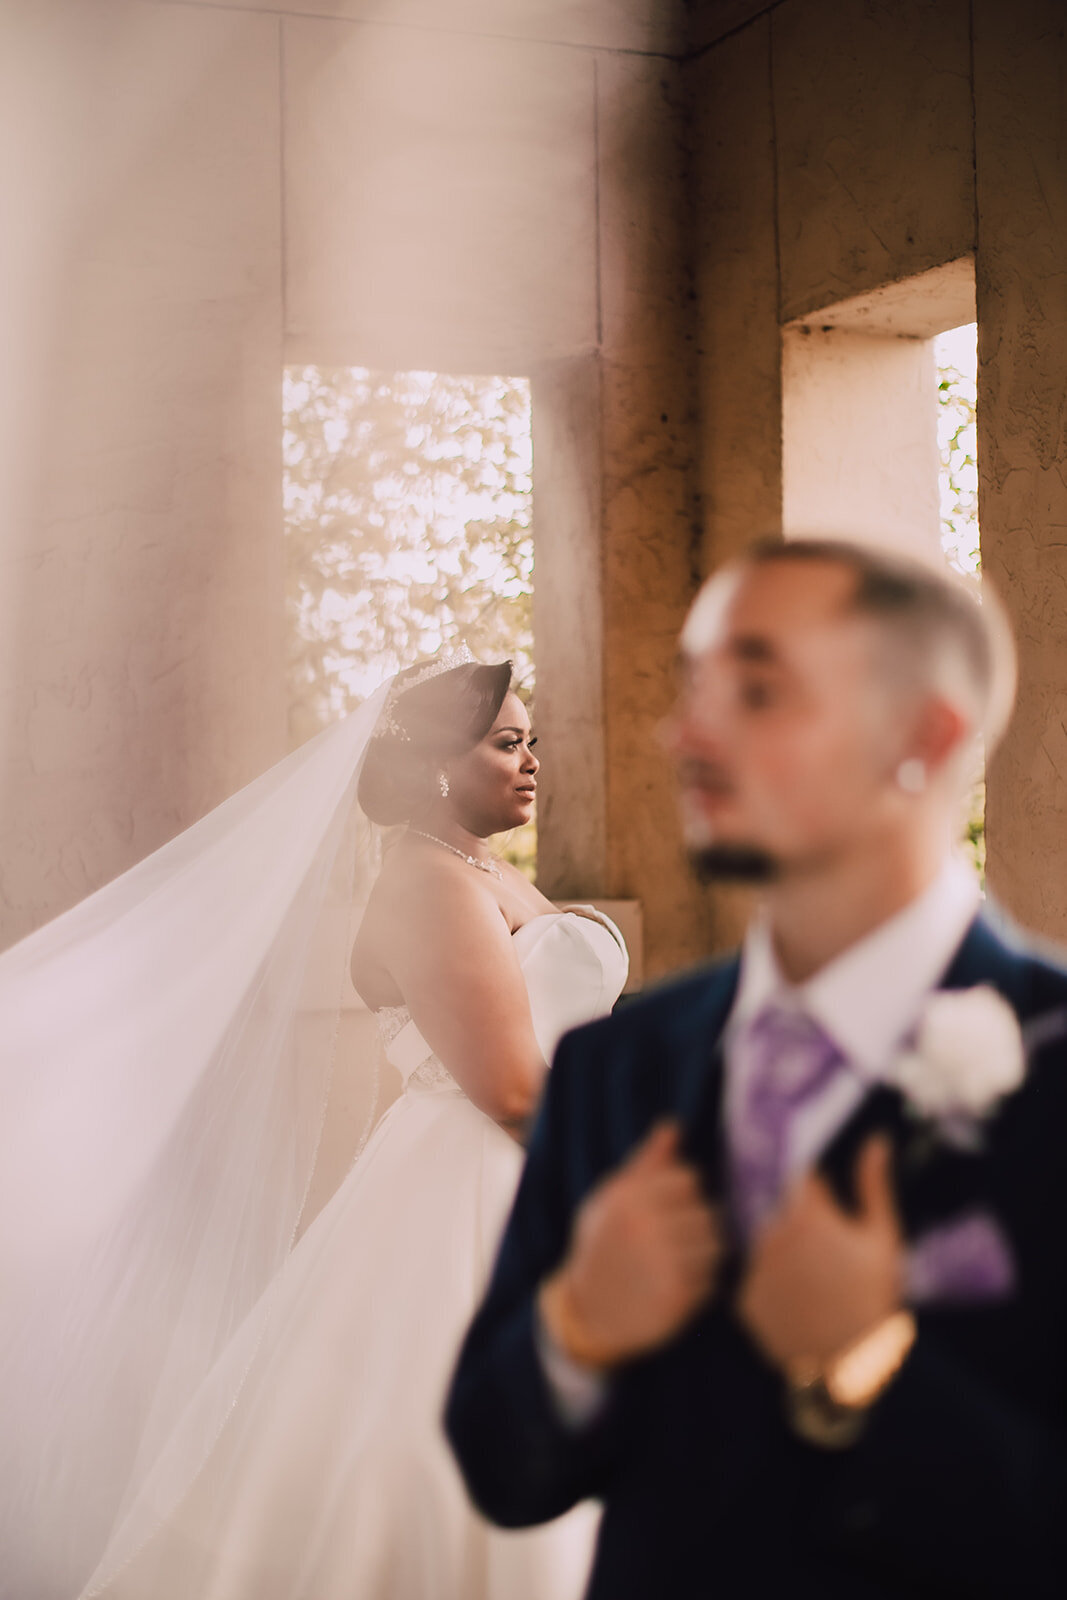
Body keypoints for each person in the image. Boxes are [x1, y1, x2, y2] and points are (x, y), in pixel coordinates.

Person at [447, 539, 1067, 1598]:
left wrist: (867, 1357)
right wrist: (576, 1328)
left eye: (757, 689)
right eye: (693, 688)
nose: (685, 732)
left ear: (924, 733)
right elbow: (501, 1470)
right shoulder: (615, 1067)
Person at [0, 651, 627, 1600]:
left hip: (512, 1168)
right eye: (506, 743)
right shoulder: (426, 883)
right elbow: (508, 1091)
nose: (532, 760)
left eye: (533, 741)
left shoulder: (478, 869)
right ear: (434, 767)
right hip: (481, 1183)